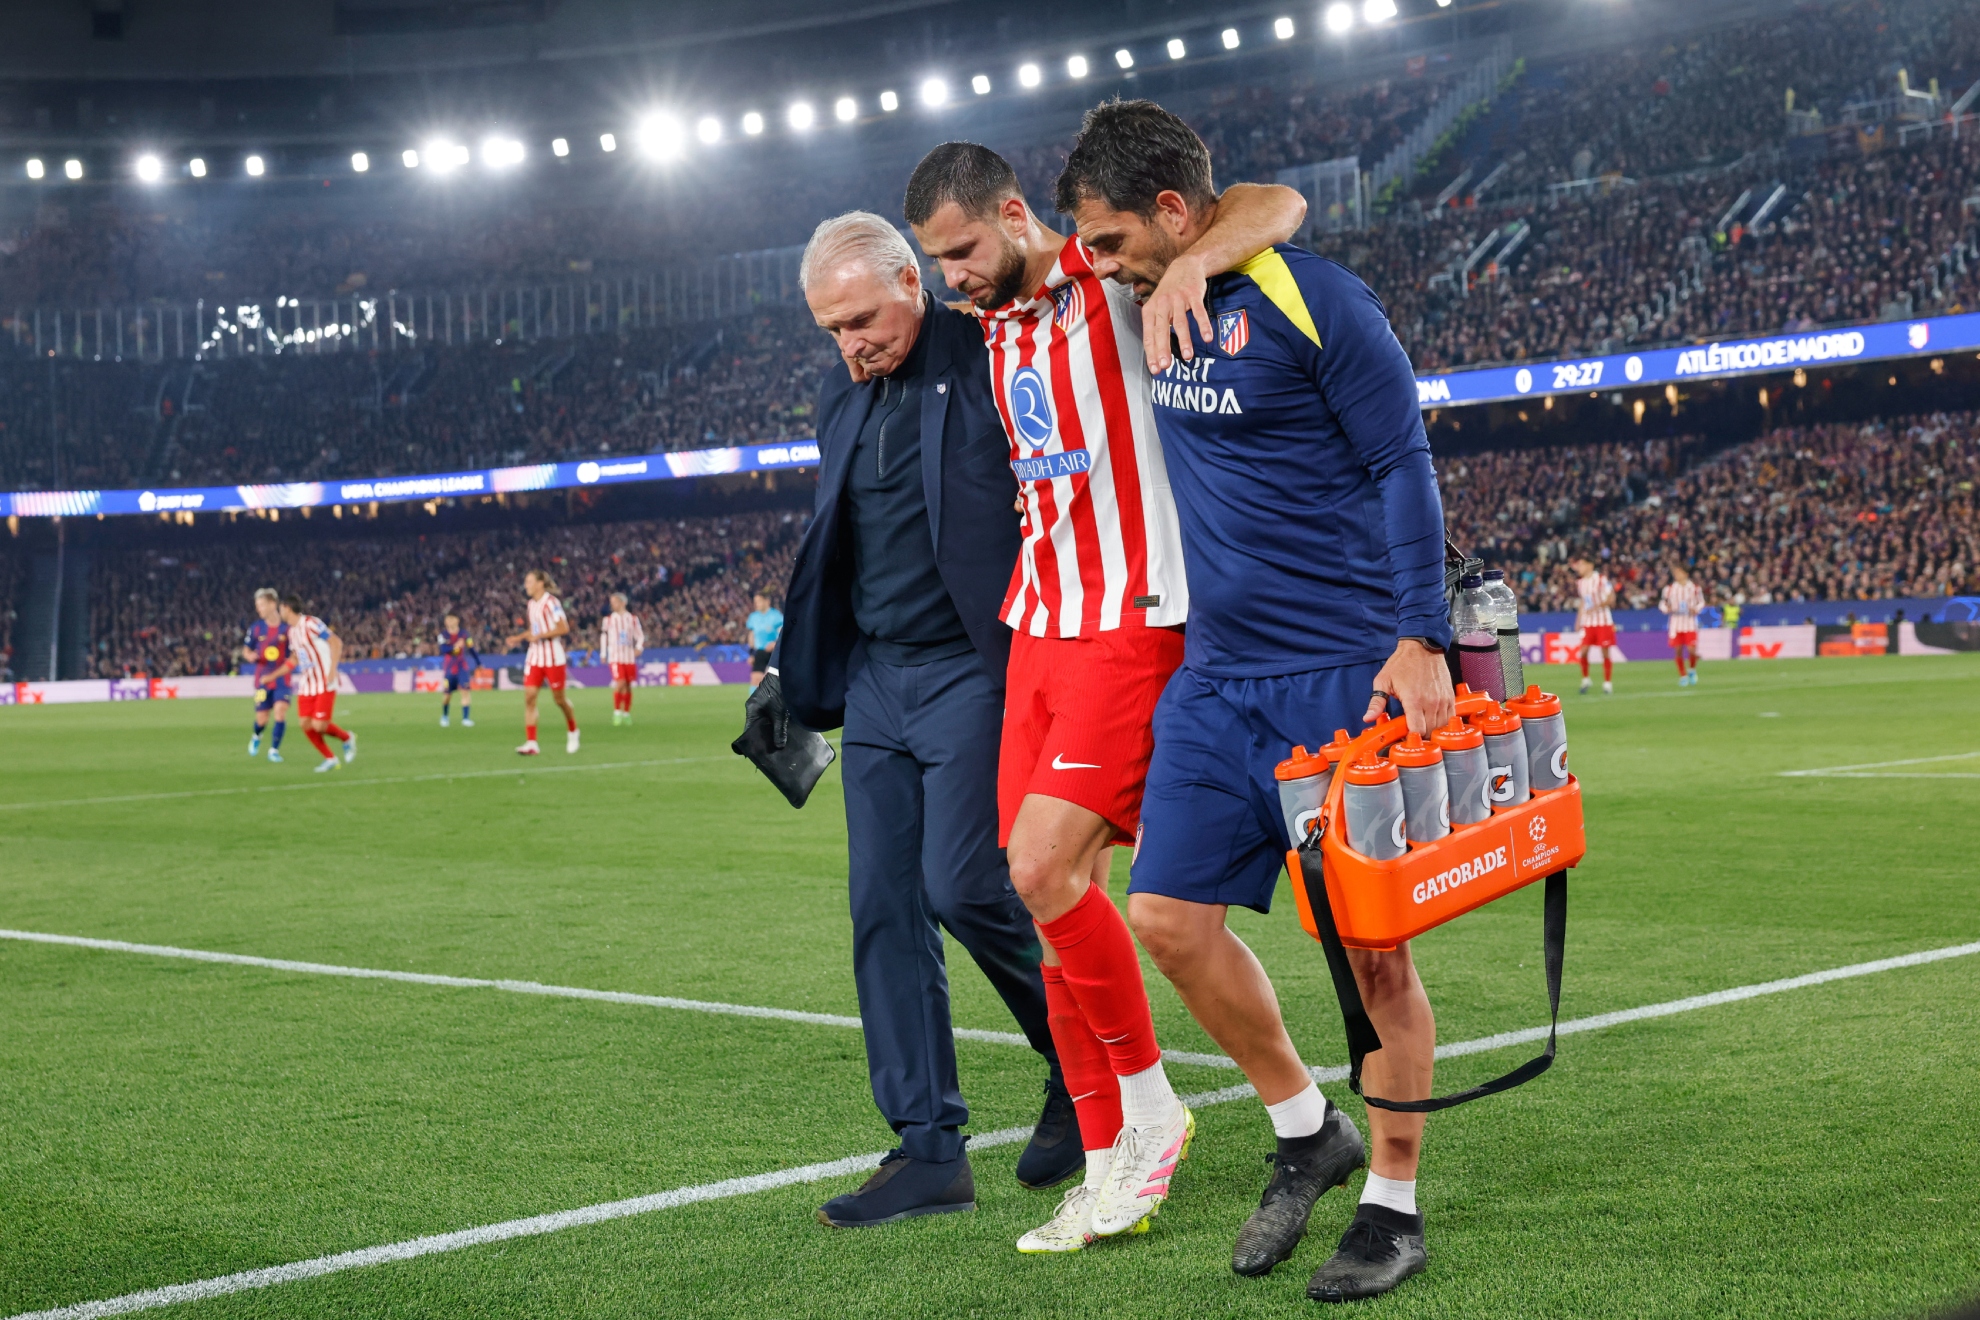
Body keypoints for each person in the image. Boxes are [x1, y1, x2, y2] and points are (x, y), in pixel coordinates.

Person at [1057, 100, 1454, 1301]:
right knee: (1168, 918)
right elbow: (1230, 213)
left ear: (1175, 215)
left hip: (1344, 670)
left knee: (1369, 956)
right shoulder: (1134, 300)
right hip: (1218, 675)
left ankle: (1393, 1202)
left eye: (1117, 242)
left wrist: (1422, 638)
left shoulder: (1320, 302)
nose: (1103, 266)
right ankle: (1305, 1129)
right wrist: (1175, 263)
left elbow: (1403, 466)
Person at [905, 140, 1307, 1252]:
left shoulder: (1106, 266)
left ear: (1018, 214)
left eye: (963, 251)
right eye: (934, 263)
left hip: (1134, 617)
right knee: (1042, 893)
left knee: (1044, 867)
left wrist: (1194, 265)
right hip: (1039, 625)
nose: (952, 278)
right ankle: (1104, 1153)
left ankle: (1150, 1107)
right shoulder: (989, 320)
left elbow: (1276, 199)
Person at [771, 210, 1072, 1228]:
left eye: (861, 317)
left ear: (914, 280)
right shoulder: (837, 392)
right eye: (831, 330)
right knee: (882, 911)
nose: (849, 343)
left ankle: (1081, 1063)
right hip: (876, 682)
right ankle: (929, 1148)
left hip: (973, 669)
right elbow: (839, 537)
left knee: (964, 884)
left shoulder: (991, 353)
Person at [504, 570, 580, 756]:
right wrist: (519, 637)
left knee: (559, 700)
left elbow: (563, 627)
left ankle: (573, 730)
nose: (526, 585)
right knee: (529, 697)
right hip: (535, 657)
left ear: (539, 583)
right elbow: (534, 629)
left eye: (529, 581)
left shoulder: (551, 603)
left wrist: (540, 635)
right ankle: (532, 743)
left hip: (553, 657)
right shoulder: (531, 604)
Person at [277, 595, 356, 773]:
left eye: (281, 608)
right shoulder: (291, 632)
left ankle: (347, 738)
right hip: (307, 684)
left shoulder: (311, 623)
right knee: (305, 723)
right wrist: (274, 675)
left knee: (319, 725)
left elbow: (335, 641)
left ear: (287, 607)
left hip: (324, 681)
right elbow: (295, 658)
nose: (280, 612)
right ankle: (330, 758)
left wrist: (332, 669)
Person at [243, 587, 291, 763]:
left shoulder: (287, 629)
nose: (259, 609)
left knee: (280, 711)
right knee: (262, 718)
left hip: (282, 679)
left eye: (261, 605)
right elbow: (246, 649)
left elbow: (293, 654)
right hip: (262, 680)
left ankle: (274, 750)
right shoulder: (256, 628)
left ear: (273, 604)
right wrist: (249, 655)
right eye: (257, 605)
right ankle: (257, 736)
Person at [1571, 558, 1618, 694]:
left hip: (1603, 622)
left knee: (1605, 652)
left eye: (1580, 564)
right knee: (1583, 651)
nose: (1578, 567)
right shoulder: (1580, 583)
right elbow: (1583, 602)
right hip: (1588, 623)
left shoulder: (1601, 579)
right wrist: (1578, 620)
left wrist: (1597, 606)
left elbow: (1611, 598)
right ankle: (1586, 679)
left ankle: (1607, 683)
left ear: (1589, 565)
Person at [600, 593, 646, 725]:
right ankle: (616, 712)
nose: (612, 605)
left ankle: (626, 713)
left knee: (628, 686)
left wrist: (638, 647)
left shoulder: (632, 619)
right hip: (615, 656)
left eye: (614, 602)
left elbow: (640, 636)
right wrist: (603, 654)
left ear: (623, 603)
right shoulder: (608, 620)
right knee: (620, 683)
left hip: (629, 657)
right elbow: (604, 637)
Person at [1660, 566, 1706, 686]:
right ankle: (1683, 675)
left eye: (1679, 572)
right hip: (1675, 623)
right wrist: (1666, 609)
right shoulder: (1669, 589)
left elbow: (1701, 602)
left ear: (1685, 573)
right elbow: (1662, 603)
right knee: (1678, 651)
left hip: (1690, 622)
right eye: (1675, 572)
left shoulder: (1695, 588)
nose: (1676, 575)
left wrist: (1696, 609)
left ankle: (1692, 669)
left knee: (1691, 649)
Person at [437, 612, 479, 726]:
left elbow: (471, 649)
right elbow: (444, 649)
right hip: (449, 669)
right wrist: (455, 647)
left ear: (457, 620)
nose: (448, 621)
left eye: (451, 618)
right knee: (447, 695)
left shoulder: (465, 634)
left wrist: (478, 662)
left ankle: (465, 718)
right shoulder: (442, 635)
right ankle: (445, 716)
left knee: (465, 691)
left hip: (462, 668)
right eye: (447, 619)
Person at [745, 592, 783, 688]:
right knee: (755, 679)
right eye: (755, 602)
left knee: (778, 681)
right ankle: (754, 703)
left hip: (775, 652)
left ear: (767, 601)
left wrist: (775, 643)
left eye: (759, 601)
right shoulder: (753, 617)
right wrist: (751, 654)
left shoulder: (776, 616)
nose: (756, 604)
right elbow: (751, 636)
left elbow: (783, 633)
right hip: (760, 652)